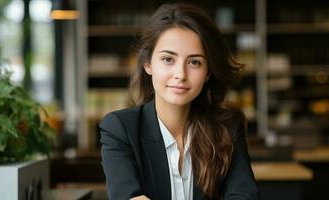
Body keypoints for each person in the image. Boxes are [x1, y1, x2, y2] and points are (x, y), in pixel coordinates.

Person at [100, 3, 259, 200]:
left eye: (194, 62)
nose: (181, 74)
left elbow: (243, 196)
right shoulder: (120, 129)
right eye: (168, 59)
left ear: (208, 71)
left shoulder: (228, 126)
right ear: (147, 64)